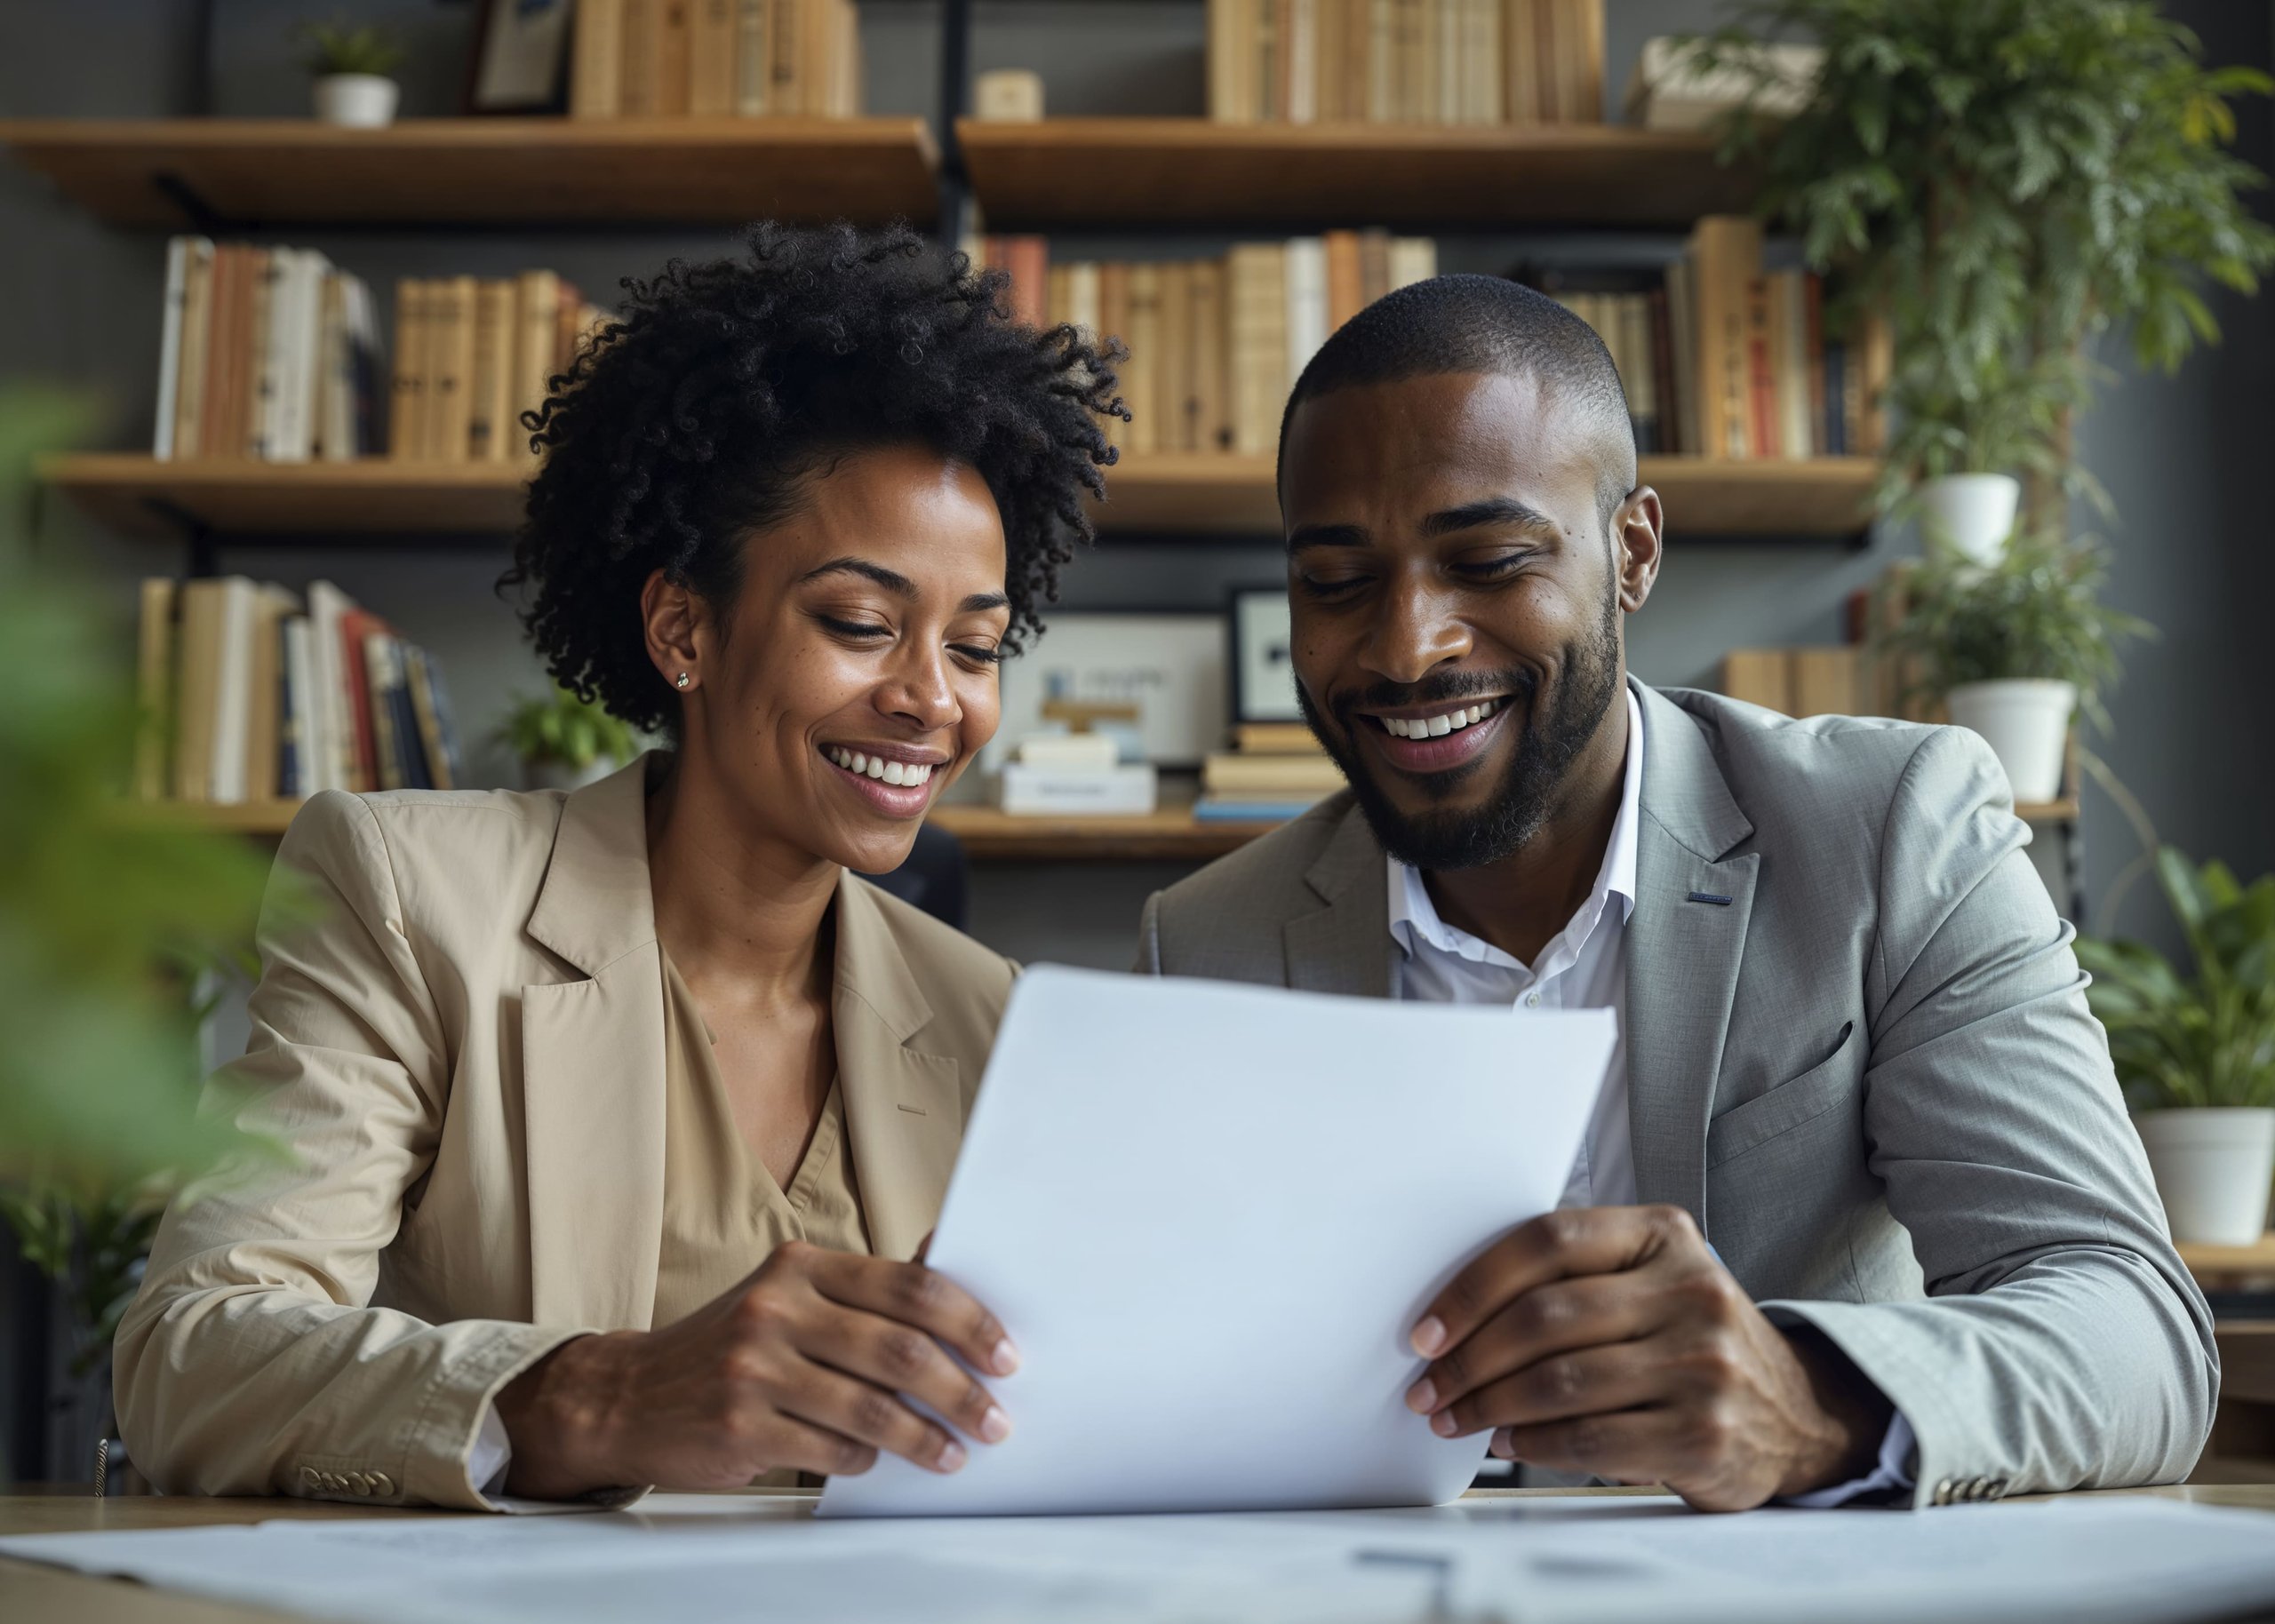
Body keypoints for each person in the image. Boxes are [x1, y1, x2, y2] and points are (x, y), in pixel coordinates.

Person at [1135, 275, 2215, 1511]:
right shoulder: (1208, 938)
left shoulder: (1889, 830)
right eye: (1335, 583)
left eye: (1487, 561)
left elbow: (2139, 1334)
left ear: (1632, 552)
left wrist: (1813, 1404)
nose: (1404, 646)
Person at [115, 223, 1120, 1509]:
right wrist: (597, 1395)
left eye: (975, 648)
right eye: (862, 625)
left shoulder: (994, 1020)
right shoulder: (416, 898)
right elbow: (190, 1359)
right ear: (683, 627)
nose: (934, 701)